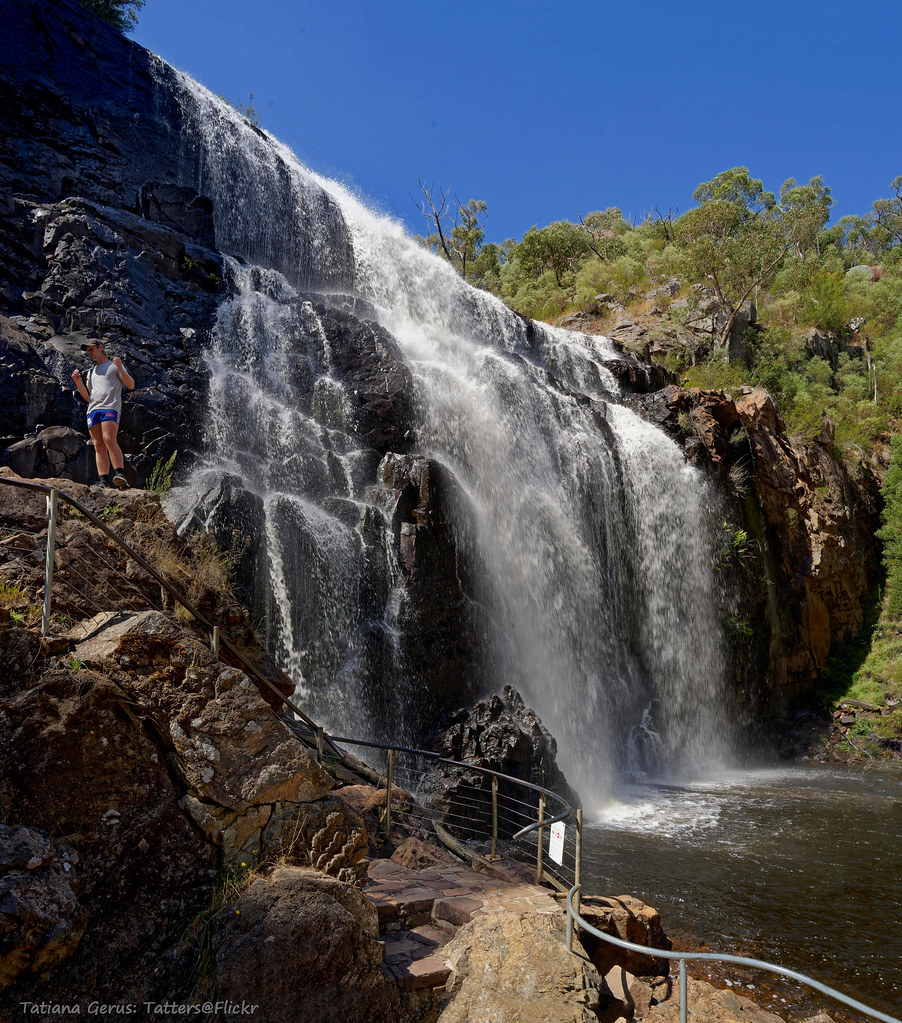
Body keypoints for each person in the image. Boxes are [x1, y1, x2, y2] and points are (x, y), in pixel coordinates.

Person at [70, 339, 135, 489]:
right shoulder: (91, 372)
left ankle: (119, 474)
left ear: (101, 347)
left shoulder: (113, 366)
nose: (90, 353)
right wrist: (78, 382)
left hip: (110, 407)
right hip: (93, 409)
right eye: (88, 351)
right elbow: (88, 397)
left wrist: (120, 367)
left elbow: (131, 385)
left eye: (92, 349)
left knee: (108, 438)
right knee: (98, 445)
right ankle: (103, 480)